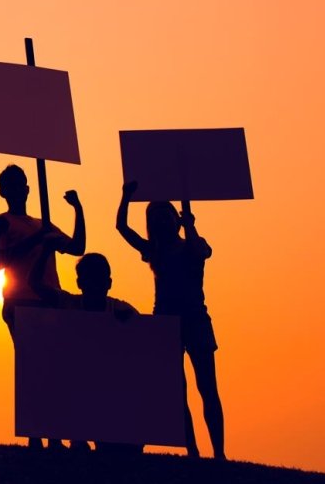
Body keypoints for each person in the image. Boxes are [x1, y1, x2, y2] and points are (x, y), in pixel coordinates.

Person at [117, 181, 225, 460]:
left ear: (175, 219)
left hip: (196, 320)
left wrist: (190, 225)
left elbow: (201, 252)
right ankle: (192, 450)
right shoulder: (154, 251)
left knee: (207, 387)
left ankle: (219, 452)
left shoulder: (193, 245)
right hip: (166, 323)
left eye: (166, 213)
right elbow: (123, 229)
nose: (161, 219)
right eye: (155, 216)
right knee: (178, 390)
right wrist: (126, 196)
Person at [0, 166, 85, 449]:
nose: (18, 190)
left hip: (50, 300)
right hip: (20, 300)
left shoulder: (43, 224)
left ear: (28, 189)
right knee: (31, 367)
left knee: (53, 368)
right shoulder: (0, 222)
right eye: (11, 186)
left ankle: (53, 432)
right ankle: (35, 433)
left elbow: (77, 247)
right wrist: (37, 239)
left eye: (21, 185)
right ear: (3, 192)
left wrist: (78, 209)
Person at [27, 243, 142, 454]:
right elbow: (34, 284)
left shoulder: (121, 310)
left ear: (108, 283)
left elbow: (145, 341)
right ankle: (78, 437)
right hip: (74, 390)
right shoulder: (68, 303)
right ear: (80, 283)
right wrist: (45, 250)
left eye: (98, 279)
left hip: (109, 394)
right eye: (90, 279)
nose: (95, 285)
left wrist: (129, 324)